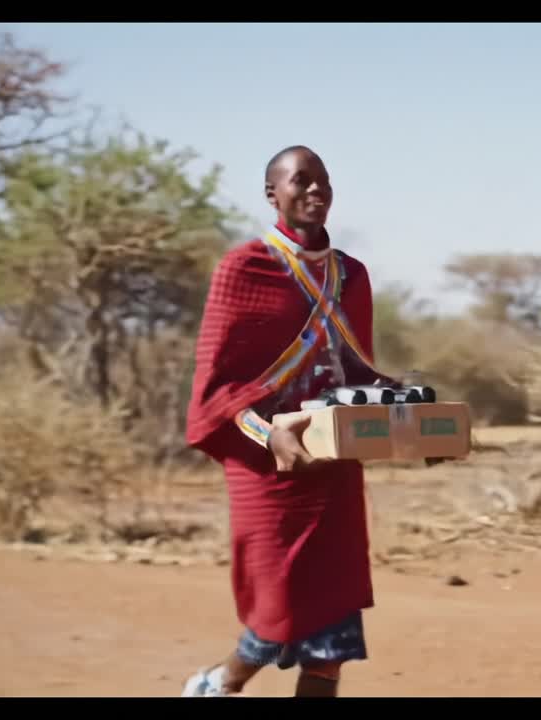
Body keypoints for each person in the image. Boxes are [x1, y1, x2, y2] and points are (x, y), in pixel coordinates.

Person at [181, 145, 395, 697]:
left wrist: (406, 414)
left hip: (331, 462)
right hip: (265, 468)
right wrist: (269, 432)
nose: (315, 191)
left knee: (331, 638)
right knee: (275, 613)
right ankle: (219, 684)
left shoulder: (352, 275)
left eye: (323, 181)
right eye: (300, 181)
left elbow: (356, 372)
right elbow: (216, 389)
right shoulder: (244, 267)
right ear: (272, 194)